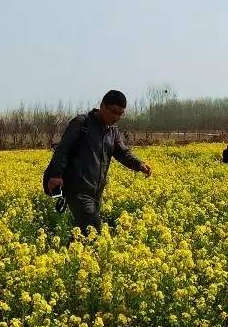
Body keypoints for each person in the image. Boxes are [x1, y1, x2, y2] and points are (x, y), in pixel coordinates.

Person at [43, 89, 152, 235]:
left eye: (121, 113)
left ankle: (68, 256)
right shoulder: (82, 123)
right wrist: (56, 175)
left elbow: (122, 153)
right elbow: (63, 149)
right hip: (77, 190)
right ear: (102, 106)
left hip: (95, 192)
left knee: (84, 234)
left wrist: (139, 165)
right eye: (114, 111)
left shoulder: (112, 131)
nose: (117, 117)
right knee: (94, 229)